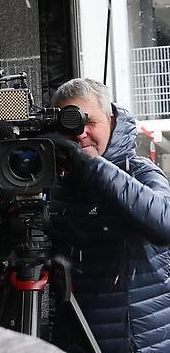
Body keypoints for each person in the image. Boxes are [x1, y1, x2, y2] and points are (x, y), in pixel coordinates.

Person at [46, 78, 170, 353]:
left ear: (111, 121)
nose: (81, 134)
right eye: (70, 125)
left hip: (138, 341)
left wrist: (93, 167)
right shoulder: (54, 185)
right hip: (78, 338)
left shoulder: (139, 172)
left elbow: (165, 223)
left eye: (89, 122)